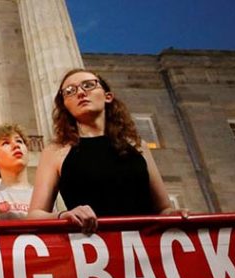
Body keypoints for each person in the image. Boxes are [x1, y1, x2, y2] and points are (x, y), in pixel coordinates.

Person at [27, 69, 178, 233]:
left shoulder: (137, 145)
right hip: (95, 249)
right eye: (70, 91)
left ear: (108, 96)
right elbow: (35, 215)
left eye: (88, 85)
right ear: (65, 105)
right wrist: (63, 216)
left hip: (147, 246)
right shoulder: (55, 151)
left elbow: (163, 208)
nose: (81, 93)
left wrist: (177, 214)